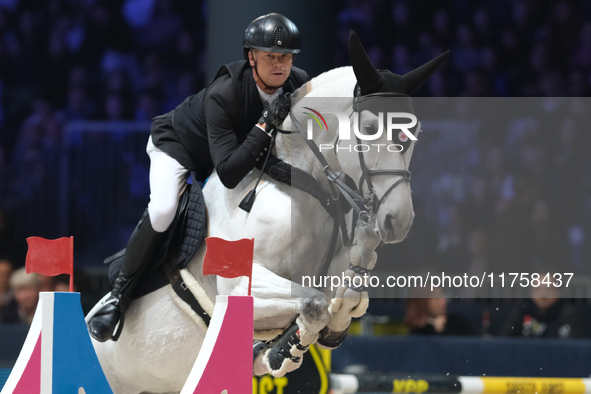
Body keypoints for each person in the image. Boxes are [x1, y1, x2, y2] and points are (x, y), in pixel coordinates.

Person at [88, 13, 310, 342]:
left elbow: (279, 156)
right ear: (251, 57)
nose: (280, 65)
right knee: (163, 210)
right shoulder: (226, 92)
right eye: (270, 57)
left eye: (286, 58)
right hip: (178, 147)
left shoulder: (299, 85)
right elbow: (231, 173)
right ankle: (117, 297)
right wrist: (265, 125)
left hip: (231, 155)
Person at [500, 275, 583, 339]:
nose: (543, 294)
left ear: (558, 292)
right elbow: (504, 339)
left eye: (548, 289)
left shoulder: (568, 314)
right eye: (538, 289)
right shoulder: (522, 312)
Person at [404, 287, 476, 336]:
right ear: (423, 302)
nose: (443, 301)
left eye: (442, 295)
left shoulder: (458, 322)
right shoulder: (416, 331)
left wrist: (443, 330)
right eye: (436, 298)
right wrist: (435, 330)